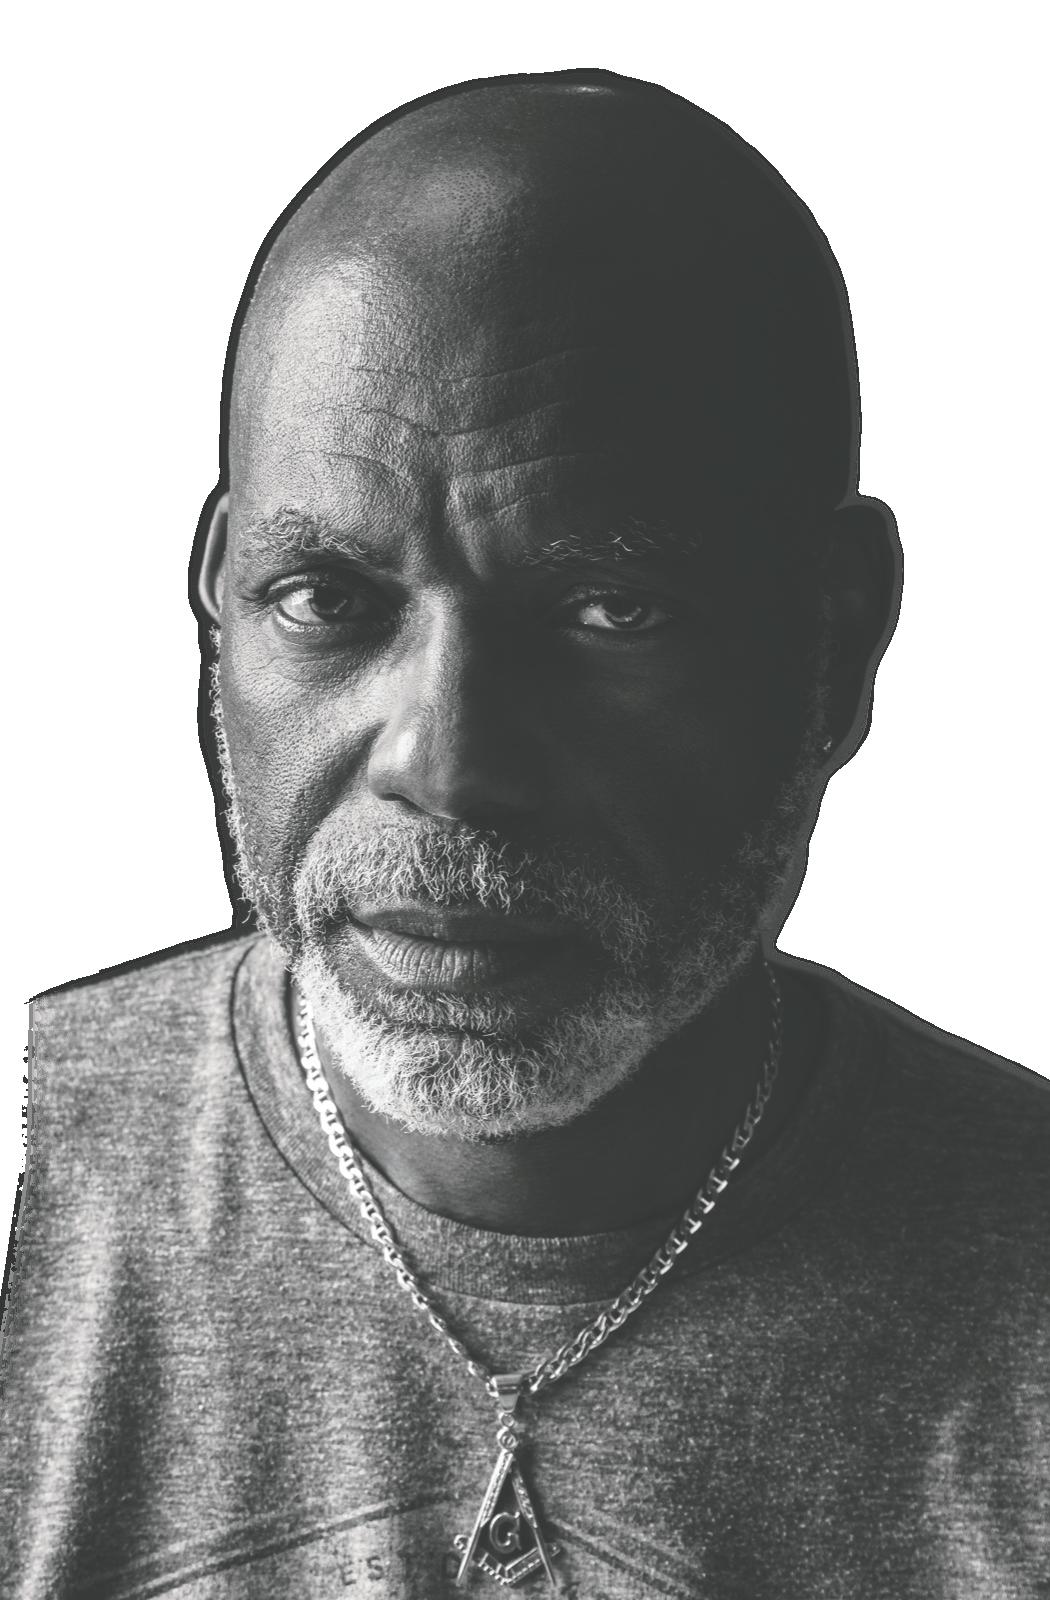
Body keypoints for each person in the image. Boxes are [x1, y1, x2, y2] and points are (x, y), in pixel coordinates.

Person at [2, 68, 1046, 1599]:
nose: (444, 764)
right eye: (325, 599)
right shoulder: (32, 1189)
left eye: (608, 610)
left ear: (833, 648)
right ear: (219, 604)